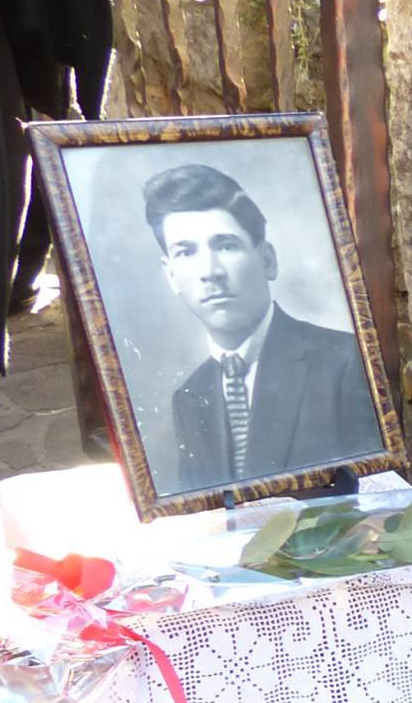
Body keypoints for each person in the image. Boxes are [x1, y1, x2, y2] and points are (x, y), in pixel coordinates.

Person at [143, 163, 381, 494]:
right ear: (171, 275)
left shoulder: (342, 361)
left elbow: (376, 496)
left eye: (226, 245)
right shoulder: (190, 396)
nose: (210, 271)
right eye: (186, 252)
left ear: (267, 259)